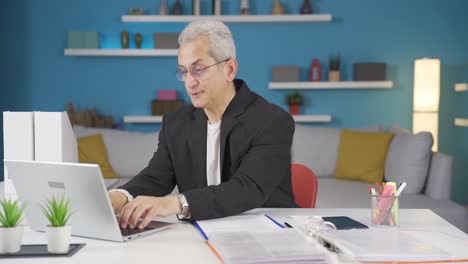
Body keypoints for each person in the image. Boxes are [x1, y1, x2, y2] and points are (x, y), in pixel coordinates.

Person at [109, 20, 297, 230]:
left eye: (198, 69)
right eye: (183, 71)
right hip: (201, 234)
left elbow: (246, 189)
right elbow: (155, 177)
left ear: (229, 69)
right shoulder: (176, 123)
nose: (190, 82)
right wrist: (117, 197)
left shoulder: (272, 121)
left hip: (267, 234)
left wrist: (174, 203)